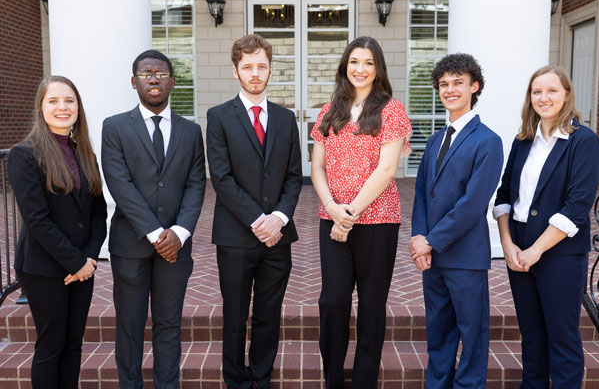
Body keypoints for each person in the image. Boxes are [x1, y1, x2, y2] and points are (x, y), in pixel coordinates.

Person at [310, 36, 412, 389]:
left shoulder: (391, 110)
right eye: (354, 61)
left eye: (368, 62)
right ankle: (334, 380)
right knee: (333, 301)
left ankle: (364, 381)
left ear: (378, 68)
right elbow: (317, 169)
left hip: (378, 220)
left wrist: (348, 214)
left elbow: (386, 171)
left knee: (371, 304)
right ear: (345, 66)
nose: (360, 69)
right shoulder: (328, 111)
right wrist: (333, 210)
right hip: (333, 219)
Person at [101, 50, 206, 389]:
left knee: (168, 325)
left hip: (176, 248)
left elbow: (196, 183)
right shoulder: (115, 126)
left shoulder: (191, 132)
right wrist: (154, 233)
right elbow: (119, 185)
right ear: (134, 82)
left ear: (173, 81)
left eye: (160, 73)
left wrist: (179, 231)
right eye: (145, 74)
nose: (154, 79)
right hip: (130, 245)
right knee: (129, 326)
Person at [493, 65, 599, 388]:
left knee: (562, 337)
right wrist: (509, 245)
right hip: (519, 249)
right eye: (537, 91)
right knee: (532, 336)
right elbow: (504, 195)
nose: (544, 97)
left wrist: (536, 250)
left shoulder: (583, 141)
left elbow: (577, 207)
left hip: (559, 254)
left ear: (566, 94)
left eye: (552, 90)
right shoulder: (524, 140)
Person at [206, 34, 302, 389]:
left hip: (278, 237)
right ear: (236, 71)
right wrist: (257, 219)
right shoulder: (218, 117)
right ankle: (236, 380)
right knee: (234, 315)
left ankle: (261, 377)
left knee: (268, 314)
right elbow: (221, 177)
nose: (255, 72)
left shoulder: (285, 118)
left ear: (270, 69)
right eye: (248, 67)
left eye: (261, 66)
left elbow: (294, 177)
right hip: (235, 235)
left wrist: (279, 218)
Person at [409, 53, 503, 388]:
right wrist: (419, 239)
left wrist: (430, 240)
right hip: (431, 258)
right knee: (438, 330)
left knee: (472, 332)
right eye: (444, 84)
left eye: (458, 83)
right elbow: (421, 194)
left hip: (465, 256)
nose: (450, 90)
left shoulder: (488, 141)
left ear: (473, 87)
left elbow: (473, 204)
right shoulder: (435, 140)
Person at [7, 76, 107, 389]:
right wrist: (75, 263)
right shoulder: (23, 155)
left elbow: (98, 213)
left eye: (69, 101)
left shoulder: (84, 152)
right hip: (44, 268)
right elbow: (36, 220)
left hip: (83, 267)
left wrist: (89, 258)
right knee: (51, 346)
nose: (62, 107)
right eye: (53, 101)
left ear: (78, 108)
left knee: (73, 344)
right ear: (41, 107)